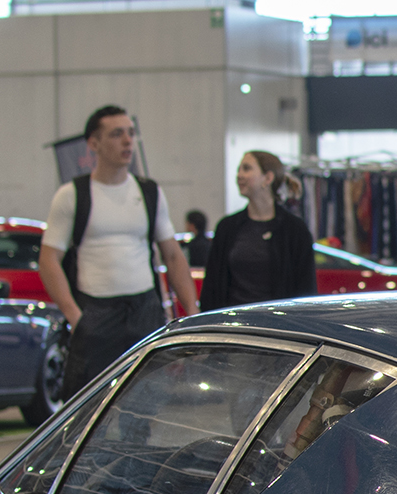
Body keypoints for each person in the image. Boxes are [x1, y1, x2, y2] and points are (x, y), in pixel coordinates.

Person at [38, 105, 199, 398]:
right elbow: (49, 261)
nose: (127, 141)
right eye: (116, 134)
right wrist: (75, 317)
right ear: (94, 143)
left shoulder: (149, 192)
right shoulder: (72, 195)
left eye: (130, 133)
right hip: (95, 314)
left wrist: (191, 311)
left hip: (144, 312)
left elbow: (173, 256)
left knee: (145, 404)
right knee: (89, 407)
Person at [199, 151, 317, 312]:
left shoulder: (295, 230)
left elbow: (306, 289)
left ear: (268, 178)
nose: (239, 175)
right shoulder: (227, 227)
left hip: (277, 327)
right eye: (239, 169)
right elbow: (211, 286)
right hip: (233, 325)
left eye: (246, 169)